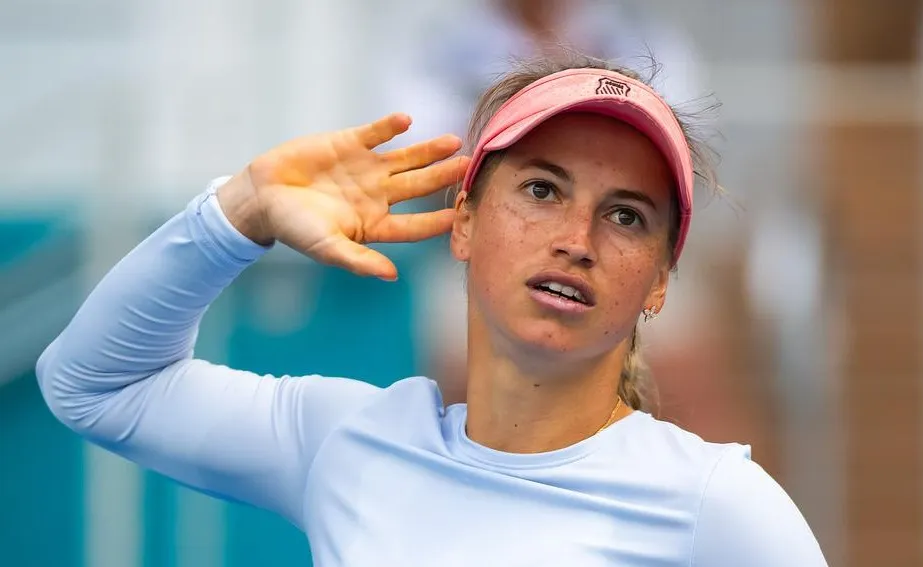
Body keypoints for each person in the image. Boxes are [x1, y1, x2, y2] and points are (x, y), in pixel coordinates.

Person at [37, 56, 827, 565]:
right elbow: (95, 384)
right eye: (542, 189)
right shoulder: (346, 442)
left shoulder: (720, 504)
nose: (576, 239)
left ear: (659, 283)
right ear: (464, 222)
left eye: (625, 215)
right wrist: (239, 212)